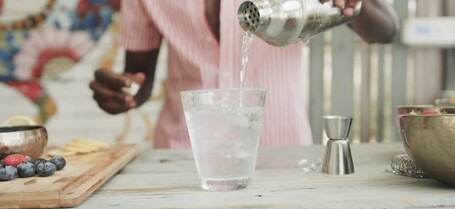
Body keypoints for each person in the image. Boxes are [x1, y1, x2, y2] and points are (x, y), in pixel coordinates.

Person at [89, 0, 398, 148]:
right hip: (183, 157)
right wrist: (122, 91)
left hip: (282, 155)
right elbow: (137, 80)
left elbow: (386, 28)